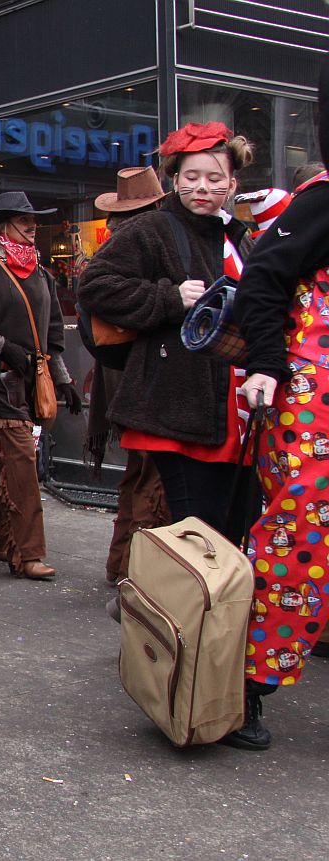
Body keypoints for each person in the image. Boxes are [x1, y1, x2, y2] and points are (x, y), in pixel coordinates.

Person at [77, 123, 257, 544]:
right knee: (200, 535)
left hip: (237, 409)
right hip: (181, 403)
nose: (202, 188)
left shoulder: (240, 236)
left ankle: (202, 607)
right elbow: (95, 285)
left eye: (214, 179)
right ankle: (179, 607)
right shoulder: (154, 228)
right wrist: (170, 298)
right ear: (175, 179)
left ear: (232, 183)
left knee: (234, 533)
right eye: (191, 178)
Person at [227, 65, 329, 752]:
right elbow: (261, 278)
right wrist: (265, 364)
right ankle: (243, 685)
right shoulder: (321, 201)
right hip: (312, 408)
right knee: (294, 539)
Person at [0, 191, 82, 581]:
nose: (32, 226)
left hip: (27, 381)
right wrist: (5, 347)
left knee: (10, 455)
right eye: (24, 221)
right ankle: (27, 553)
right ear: (4, 226)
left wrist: (63, 380)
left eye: (33, 220)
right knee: (21, 460)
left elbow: (51, 335)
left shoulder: (40, 272)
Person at [83, 167, 171, 591]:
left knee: (137, 474)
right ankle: (138, 574)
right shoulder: (141, 245)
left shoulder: (118, 243)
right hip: (143, 374)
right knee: (151, 478)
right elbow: (96, 297)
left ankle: (122, 566)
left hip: (122, 374)